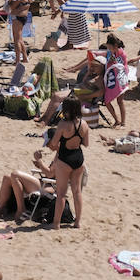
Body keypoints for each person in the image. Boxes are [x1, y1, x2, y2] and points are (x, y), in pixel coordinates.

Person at [46, 97, 88, 229]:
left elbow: (54, 143)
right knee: (77, 192)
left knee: (61, 193)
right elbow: (86, 144)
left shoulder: (63, 125)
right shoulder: (84, 124)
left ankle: (56, 223)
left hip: (65, 158)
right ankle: (77, 222)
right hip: (78, 158)